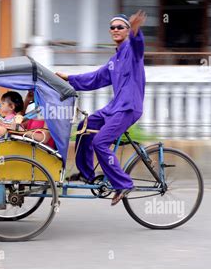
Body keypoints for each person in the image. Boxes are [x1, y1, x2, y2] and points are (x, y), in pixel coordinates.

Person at [56, 11, 147, 206]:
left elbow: (139, 44)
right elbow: (96, 78)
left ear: (128, 30)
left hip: (128, 107)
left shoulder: (132, 50)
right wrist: (69, 79)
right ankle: (87, 174)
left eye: (120, 27)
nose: (115, 30)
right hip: (114, 107)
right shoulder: (114, 61)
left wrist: (136, 30)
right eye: (112, 27)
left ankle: (123, 184)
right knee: (83, 127)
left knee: (100, 142)